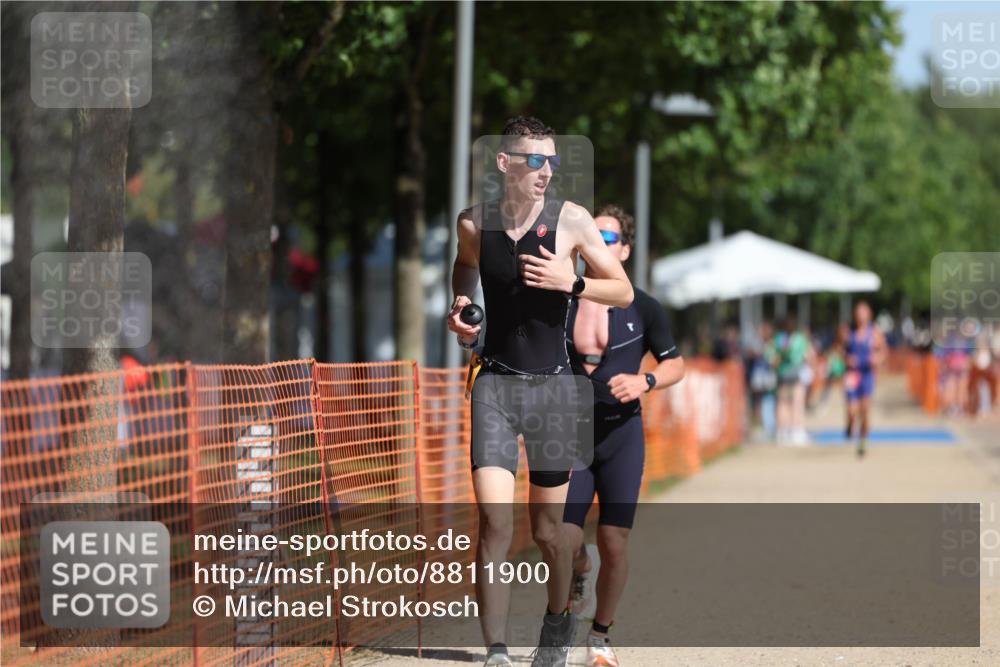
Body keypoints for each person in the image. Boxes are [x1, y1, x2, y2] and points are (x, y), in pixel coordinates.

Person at [446, 117, 634, 667]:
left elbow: (621, 290)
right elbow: (464, 268)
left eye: (551, 161)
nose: (545, 171)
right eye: (534, 160)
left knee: (550, 531)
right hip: (495, 387)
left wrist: (571, 282)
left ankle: (557, 624)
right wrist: (461, 308)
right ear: (504, 163)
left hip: (556, 392)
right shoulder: (473, 223)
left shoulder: (571, 222)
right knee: (495, 524)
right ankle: (497, 651)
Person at [561, 205, 685, 667]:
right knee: (564, 539)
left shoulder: (643, 305)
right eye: (593, 234)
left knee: (614, 542)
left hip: (621, 435)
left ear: (625, 250)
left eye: (609, 238)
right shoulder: (563, 298)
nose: (598, 243)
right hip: (570, 434)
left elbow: (676, 364)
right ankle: (579, 570)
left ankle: (600, 636)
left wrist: (645, 382)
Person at [845, 301, 887, 457]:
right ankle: (850, 423)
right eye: (858, 313)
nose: (861, 316)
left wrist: (877, 358)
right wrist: (846, 358)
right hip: (852, 374)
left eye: (864, 313)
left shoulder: (875, 332)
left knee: (865, 410)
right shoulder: (848, 331)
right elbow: (838, 349)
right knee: (852, 409)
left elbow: (884, 352)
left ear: (869, 315)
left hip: (867, 374)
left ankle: (862, 440)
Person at [770, 316, 812, 445]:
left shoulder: (778, 339)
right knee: (796, 402)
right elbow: (807, 355)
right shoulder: (799, 338)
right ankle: (795, 430)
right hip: (795, 372)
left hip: (782, 373)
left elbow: (773, 357)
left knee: (783, 402)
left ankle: (782, 431)